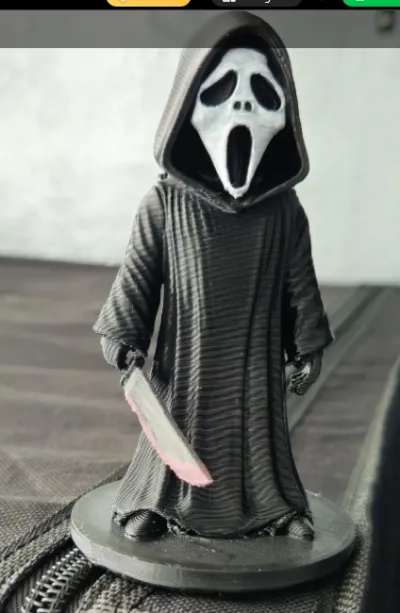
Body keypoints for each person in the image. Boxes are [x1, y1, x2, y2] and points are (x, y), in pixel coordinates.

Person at [94, 11, 334, 542]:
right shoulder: (164, 203)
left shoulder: (284, 211)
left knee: (258, 436)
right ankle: (158, 503)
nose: (242, 105)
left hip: (256, 362)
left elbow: (300, 283)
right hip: (185, 360)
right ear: (187, 104)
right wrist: (124, 339)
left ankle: (274, 509)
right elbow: (137, 278)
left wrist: (307, 345)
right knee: (175, 428)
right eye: (221, 89)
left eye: (262, 93)